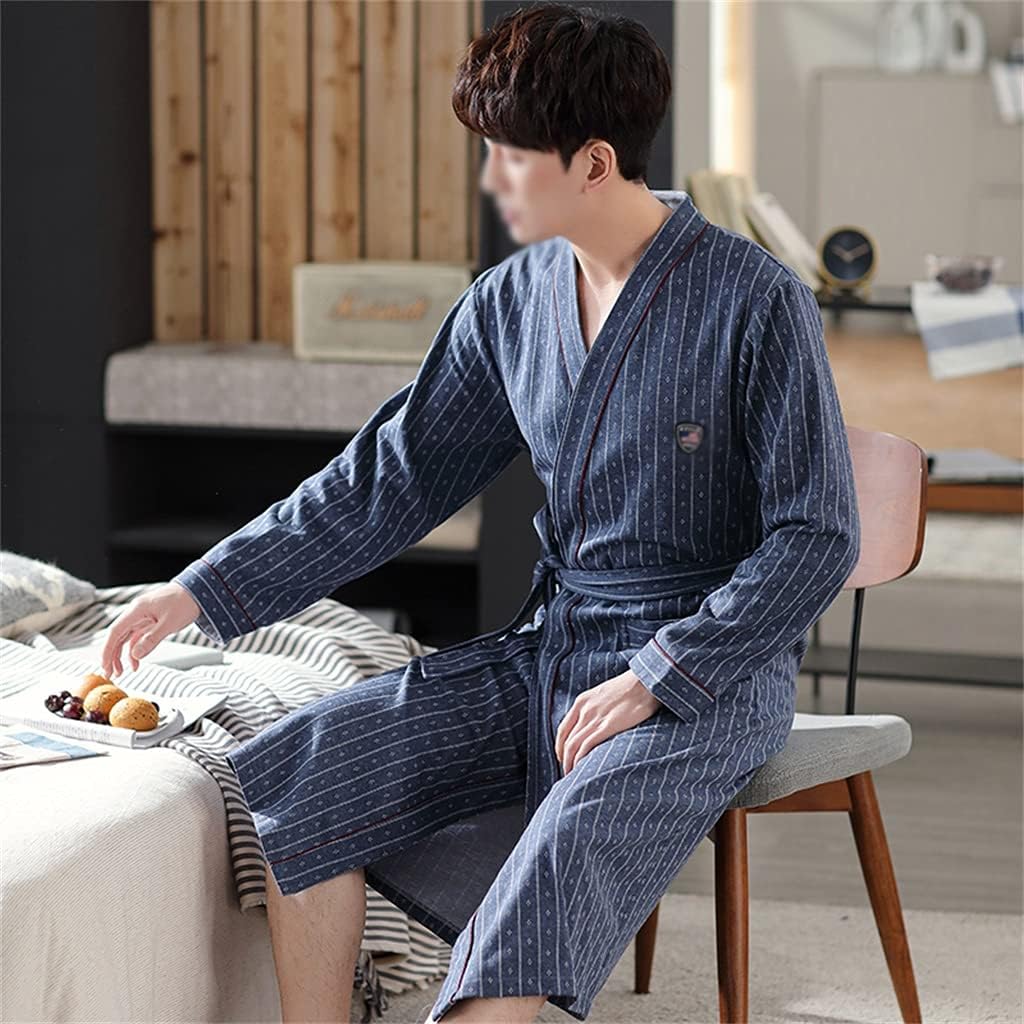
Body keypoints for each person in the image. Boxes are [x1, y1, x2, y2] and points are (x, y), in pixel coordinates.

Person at [100, 4, 861, 1022]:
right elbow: (389, 478)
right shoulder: (510, 299)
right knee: (308, 769)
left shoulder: (754, 299)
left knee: (545, 879)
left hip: (707, 670)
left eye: (509, 156)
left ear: (594, 163)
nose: (490, 178)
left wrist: (658, 674)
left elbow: (818, 535)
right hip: (556, 644)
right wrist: (200, 590)